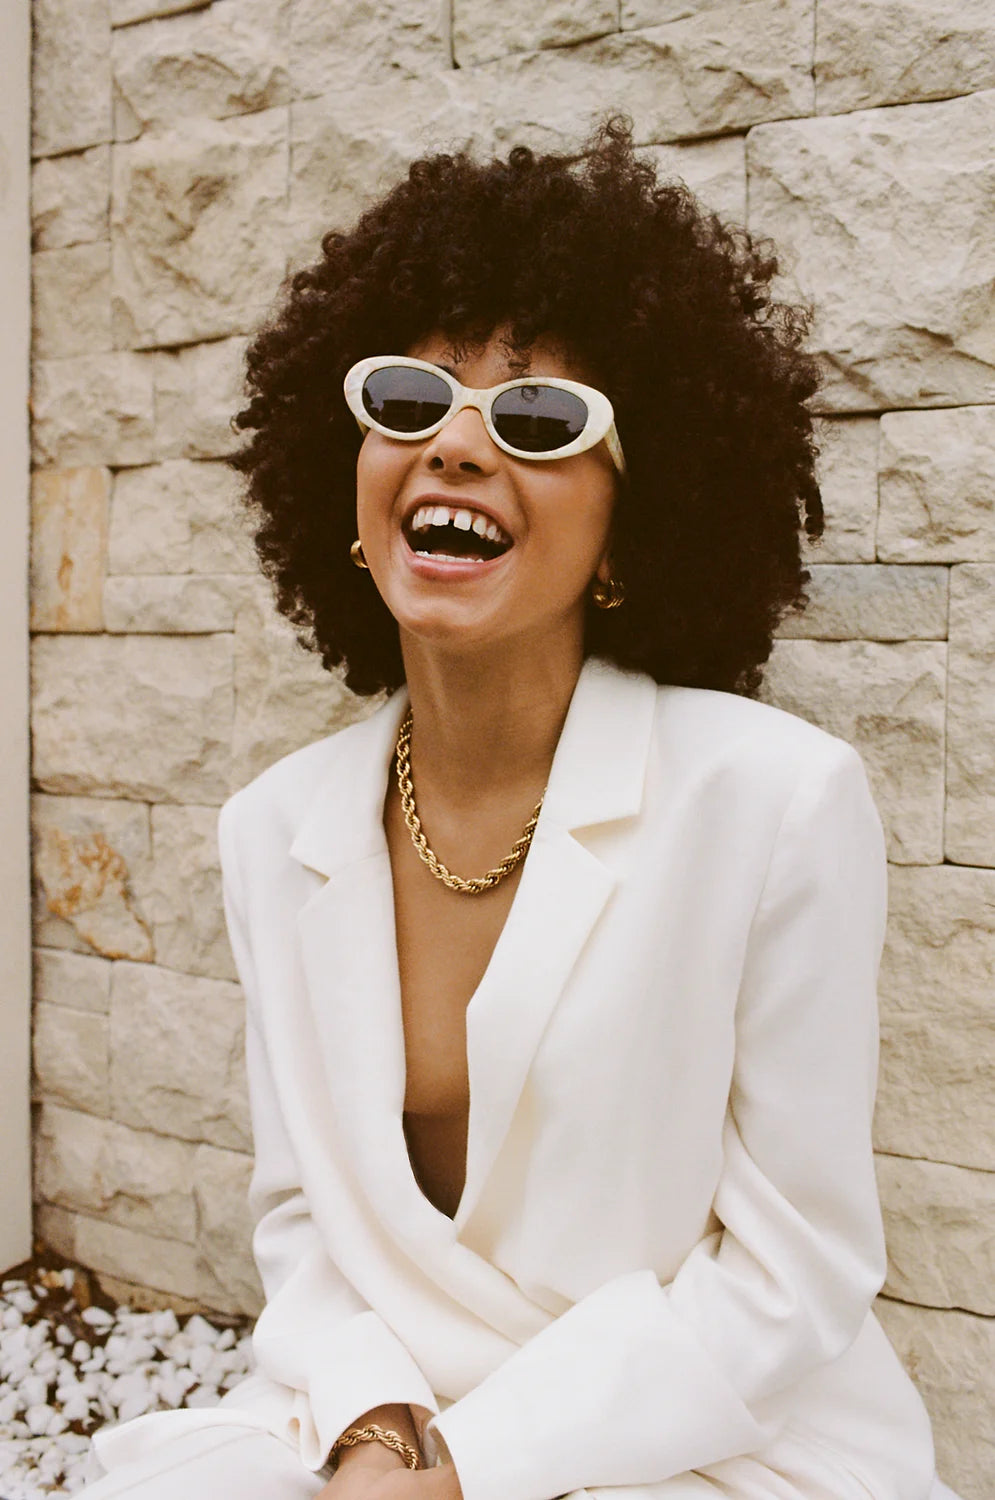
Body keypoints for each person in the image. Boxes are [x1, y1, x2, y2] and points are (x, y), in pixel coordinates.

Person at [78, 119, 960, 1500]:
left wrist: (467, 1470)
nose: (454, 447)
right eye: (407, 402)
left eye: (540, 419)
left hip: (708, 1440)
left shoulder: (776, 804)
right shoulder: (272, 829)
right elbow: (305, 1223)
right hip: (398, 1413)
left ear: (630, 524)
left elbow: (795, 1274)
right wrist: (380, 1437)